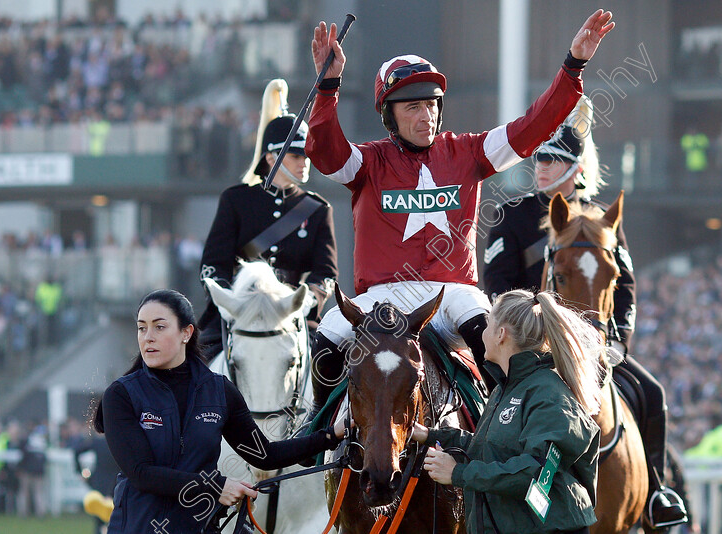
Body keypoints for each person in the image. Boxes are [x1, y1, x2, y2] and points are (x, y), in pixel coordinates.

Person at [302, 10, 614, 425]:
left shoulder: (469, 151)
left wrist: (573, 65)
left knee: (503, 347)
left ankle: (506, 433)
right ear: (388, 115)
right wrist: (327, 87)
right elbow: (324, 153)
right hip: (382, 298)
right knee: (324, 344)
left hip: (453, 294)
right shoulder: (368, 162)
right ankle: (317, 427)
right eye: (412, 107)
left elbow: (533, 126)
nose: (425, 116)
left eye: (431, 105)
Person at [483, 98, 688, 528]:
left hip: (598, 343)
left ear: (576, 168)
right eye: (539, 156)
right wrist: (526, 334)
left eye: (554, 159)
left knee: (652, 394)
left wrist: (617, 342)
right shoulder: (511, 217)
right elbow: (497, 286)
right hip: (529, 344)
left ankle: (655, 490)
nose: (541, 165)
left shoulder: (601, 218)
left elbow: (625, 287)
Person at [92, 289, 348, 533]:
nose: (147, 336)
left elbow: (265, 455)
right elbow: (141, 474)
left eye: (159, 327)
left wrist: (330, 436)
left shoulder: (219, 391)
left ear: (186, 333)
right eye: (141, 327)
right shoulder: (121, 394)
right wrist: (216, 487)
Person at [411, 290, 601, 533]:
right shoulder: (506, 389)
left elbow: (537, 473)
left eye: (488, 323)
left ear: (501, 334)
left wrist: (459, 473)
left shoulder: (548, 393)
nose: (482, 332)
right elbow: (492, 451)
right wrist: (429, 435)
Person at [198, 78, 338, 358]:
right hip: (235, 315)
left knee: (335, 369)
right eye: (296, 155)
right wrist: (234, 301)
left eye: (307, 156)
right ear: (272, 158)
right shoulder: (236, 200)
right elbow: (213, 265)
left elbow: (326, 274)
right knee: (190, 370)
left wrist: (306, 300)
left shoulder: (318, 210)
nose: (304, 162)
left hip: (292, 317)